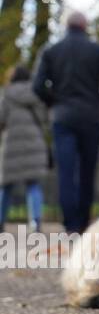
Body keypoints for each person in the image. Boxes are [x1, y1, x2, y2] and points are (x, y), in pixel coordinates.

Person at [32, 11, 99, 233]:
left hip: (63, 118)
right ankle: (82, 224)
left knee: (66, 172)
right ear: (85, 25)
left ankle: (70, 223)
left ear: (66, 26)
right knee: (88, 172)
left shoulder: (51, 51)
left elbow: (38, 86)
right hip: (91, 117)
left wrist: (55, 102)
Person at [0, 66, 48, 232]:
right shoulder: (35, 94)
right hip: (34, 143)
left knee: (6, 186)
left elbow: (1, 119)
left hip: (11, 145)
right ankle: (35, 222)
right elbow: (43, 118)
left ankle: (0, 221)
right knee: (33, 184)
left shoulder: (7, 94)